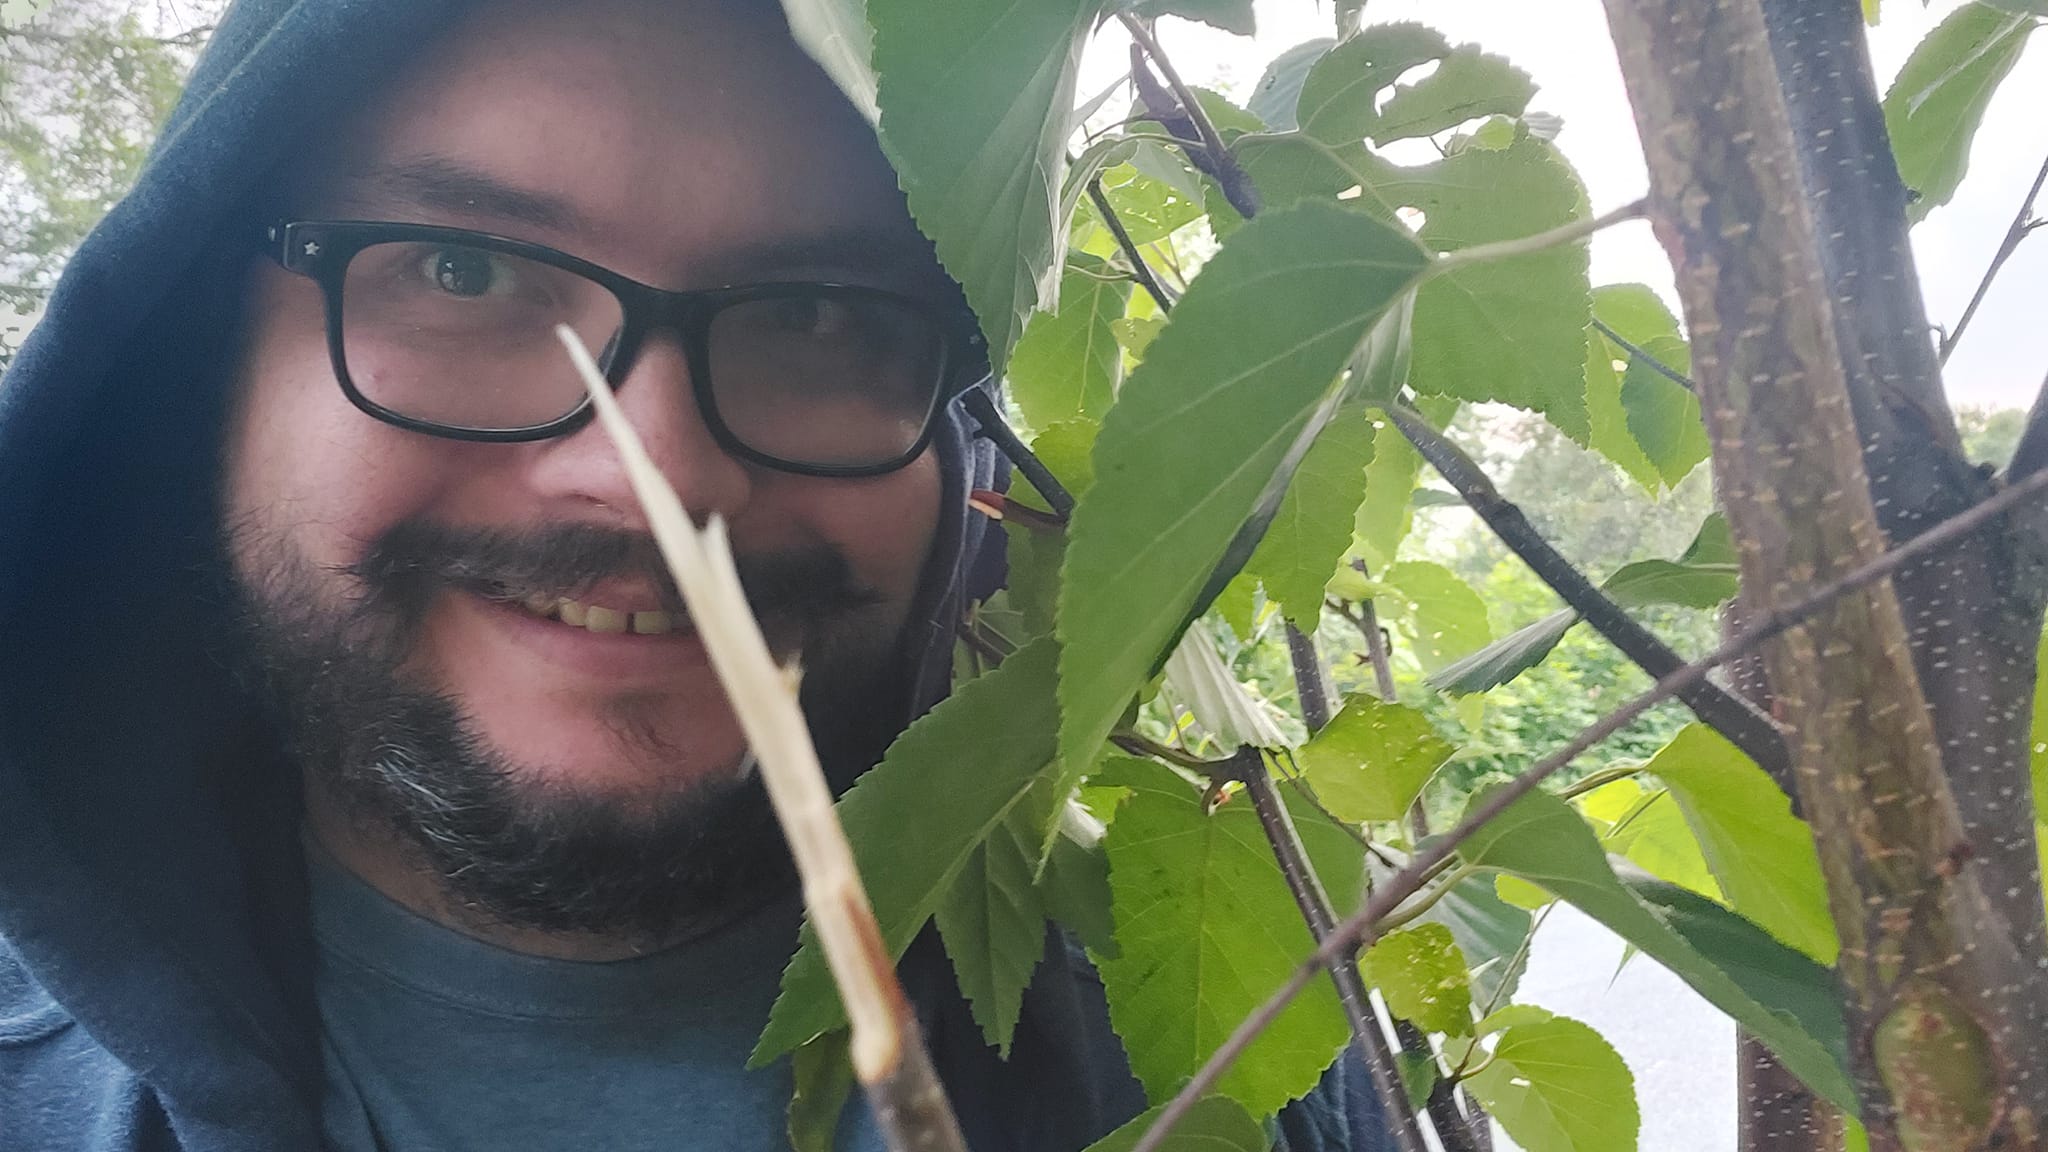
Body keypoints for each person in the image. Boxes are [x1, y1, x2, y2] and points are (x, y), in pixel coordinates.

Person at [0, 0, 1393, 1148]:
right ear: (203, 373)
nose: (656, 478)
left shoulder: (1223, 1043)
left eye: (816, 313)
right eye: (463, 271)